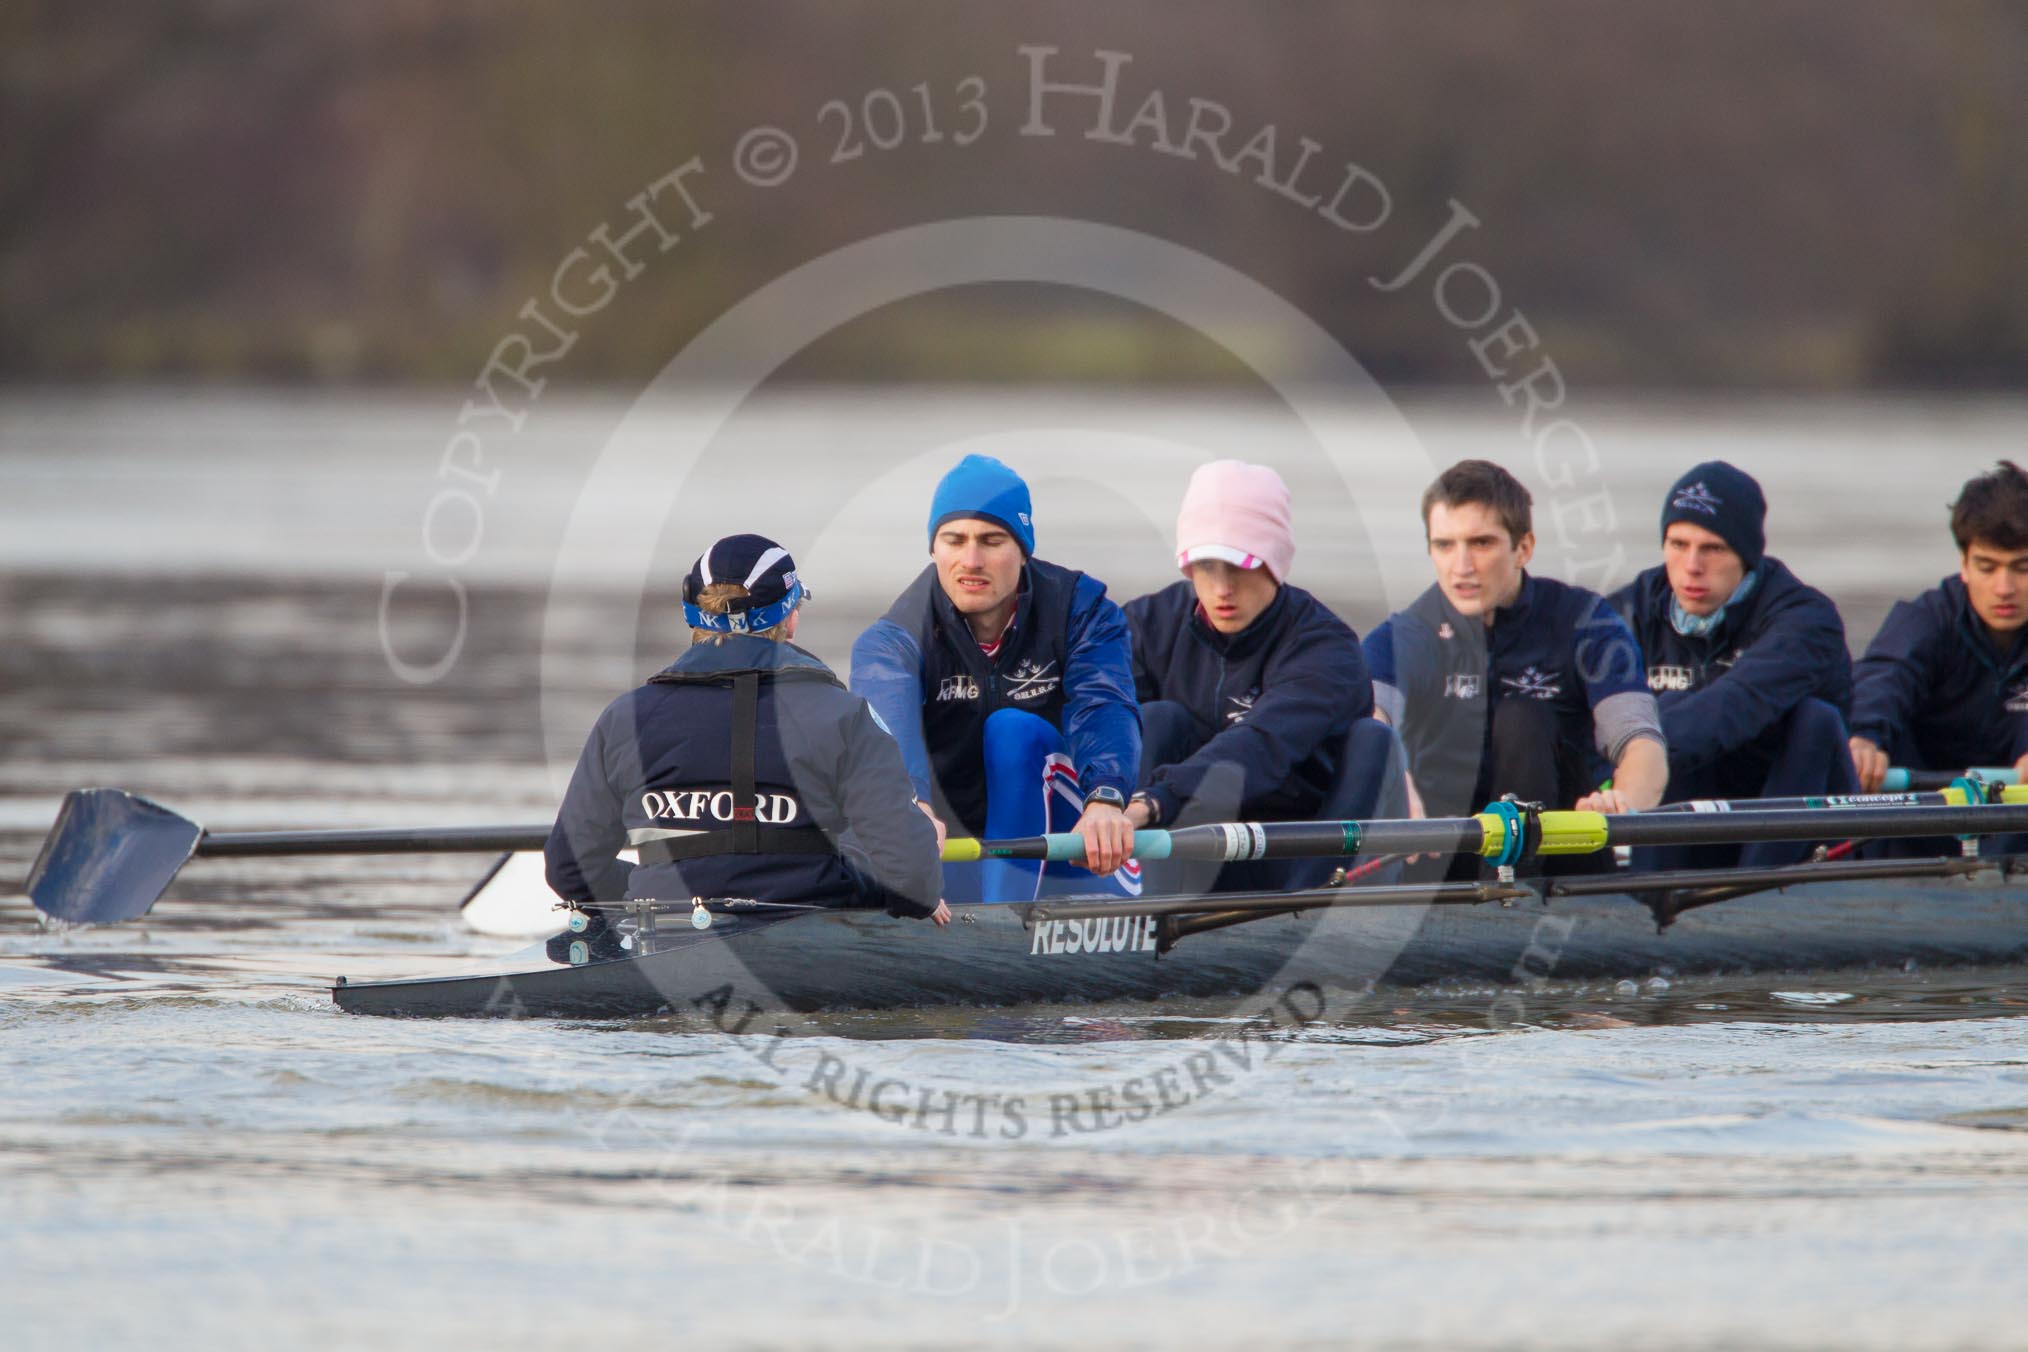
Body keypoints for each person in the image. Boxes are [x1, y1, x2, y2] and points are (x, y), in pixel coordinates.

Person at [546, 534, 947, 957]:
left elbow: (570, 869)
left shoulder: (623, 718)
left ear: (693, 619)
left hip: (665, 938)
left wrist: (655, 888)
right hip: (808, 951)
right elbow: (915, 884)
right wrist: (894, 862)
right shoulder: (845, 716)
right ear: (790, 618)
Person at [851, 455, 1142, 901]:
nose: (971, 560)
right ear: (934, 549)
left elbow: (1104, 704)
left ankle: (1001, 931)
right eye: (954, 540)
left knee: (1011, 730)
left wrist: (1104, 798)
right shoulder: (893, 641)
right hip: (958, 850)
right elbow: (885, 728)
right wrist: (910, 807)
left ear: (1022, 550)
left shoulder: (1082, 611)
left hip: (1075, 851)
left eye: (991, 540)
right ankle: (980, 924)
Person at [1362, 460, 1667, 869]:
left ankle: (1520, 892)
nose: (1461, 566)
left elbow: (1642, 743)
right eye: (1444, 545)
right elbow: (1371, 719)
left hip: (1558, 859)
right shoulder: (1402, 637)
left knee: (1522, 719)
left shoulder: (1585, 623)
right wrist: (1394, 779)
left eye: (1481, 543)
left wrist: (1622, 802)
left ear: (1523, 548)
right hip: (1439, 853)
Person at [1123, 460, 1404, 892]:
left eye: (1239, 565)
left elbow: (1262, 744)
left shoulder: (1326, 648)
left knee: (1373, 739)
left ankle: (1306, 912)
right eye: (1206, 565)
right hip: (1185, 852)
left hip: (1292, 855)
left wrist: (1155, 800)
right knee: (1155, 717)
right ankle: (1132, 895)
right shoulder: (1148, 624)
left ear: (1274, 562)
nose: (1221, 588)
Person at [1608, 461, 1856, 869]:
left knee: (1814, 719)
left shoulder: (1807, 621)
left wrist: (1634, 761)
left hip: (1792, 829)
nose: (1691, 566)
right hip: (1686, 817)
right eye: (1678, 544)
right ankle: (1647, 902)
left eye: (1713, 548)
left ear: (1747, 555)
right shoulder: (1626, 612)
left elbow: (1733, 703)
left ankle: (1750, 895)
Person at [1850, 460, 2028, 797]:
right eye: (1987, 567)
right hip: (1921, 808)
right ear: (1964, 564)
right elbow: (1887, 674)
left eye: (2023, 568)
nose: (2004, 588)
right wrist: (1863, 739)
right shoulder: (1925, 619)